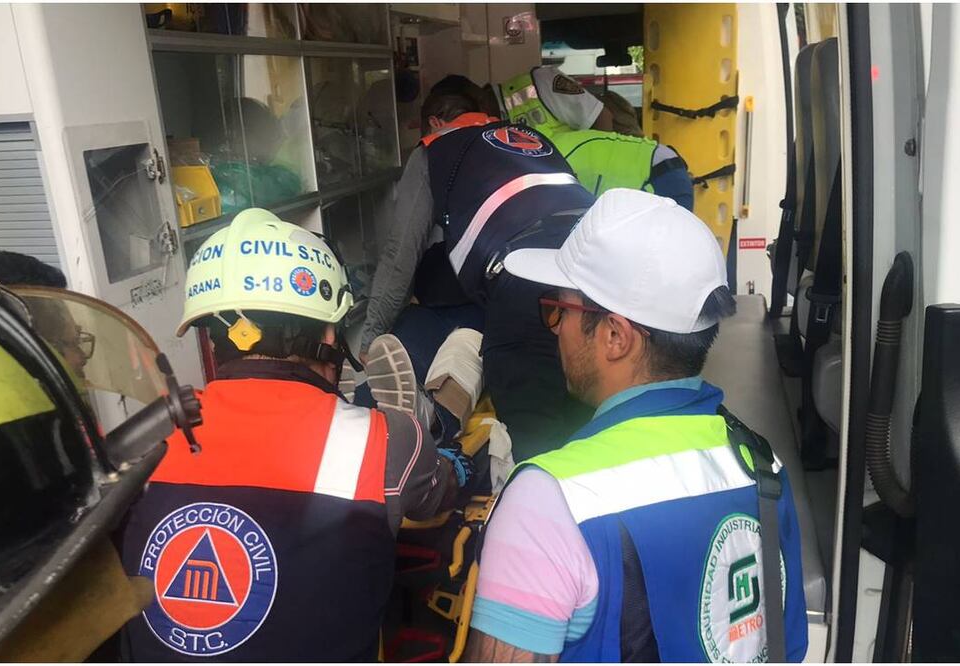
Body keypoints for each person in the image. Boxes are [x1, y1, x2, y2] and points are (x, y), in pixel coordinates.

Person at [465, 190, 808, 662]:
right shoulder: (761, 464)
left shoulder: (550, 501)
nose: (556, 327)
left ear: (614, 336)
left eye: (559, 309)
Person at [116, 208, 471, 661]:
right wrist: (452, 465)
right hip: (403, 452)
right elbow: (440, 499)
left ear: (208, 340)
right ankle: (432, 414)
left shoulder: (142, 437)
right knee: (437, 456)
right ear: (329, 331)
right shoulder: (383, 443)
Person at [361, 89, 595, 464]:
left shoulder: (433, 150)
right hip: (595, 273)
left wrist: (370, 339)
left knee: (534, 438)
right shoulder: (533, 140)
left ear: (436, 123)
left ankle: (435, 424)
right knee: (588, 417)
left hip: (524, 279)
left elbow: (399, 253)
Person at [501, 66, 694, 209]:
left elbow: (601, 118)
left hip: (656, 175)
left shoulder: (540, 83)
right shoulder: (543, 152)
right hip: (648, 171)